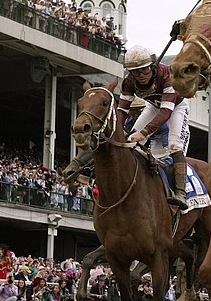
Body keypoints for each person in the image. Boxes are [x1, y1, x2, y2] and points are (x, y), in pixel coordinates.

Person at [64, 45, 191, 210]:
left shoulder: (167, 76)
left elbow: (166, 112)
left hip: (176, 106)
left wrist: (144, 132)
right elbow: (122, 110)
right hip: (152, 105)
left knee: (174, 145)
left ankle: (181, 192)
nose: (140, 75)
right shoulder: (129, 82)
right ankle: (86, 169)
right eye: (135, 72)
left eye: (144, 70)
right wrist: (120, 130)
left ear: (152, 67)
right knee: (127, 139)